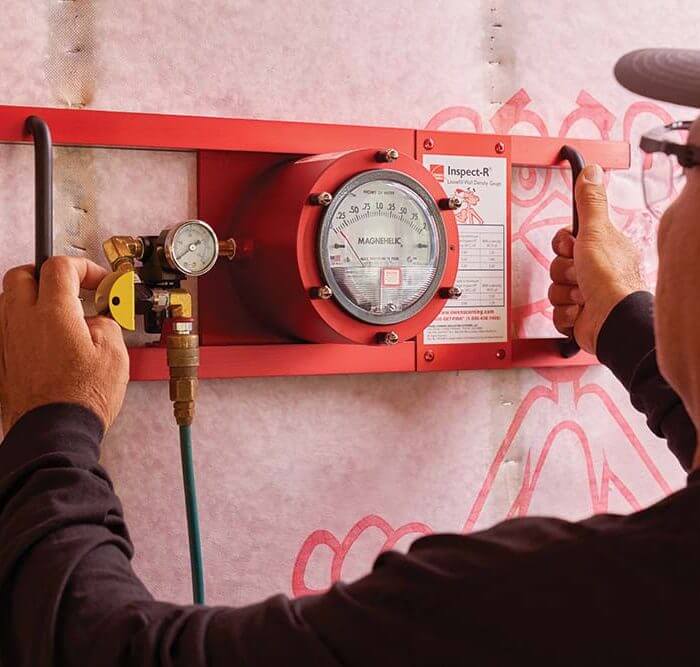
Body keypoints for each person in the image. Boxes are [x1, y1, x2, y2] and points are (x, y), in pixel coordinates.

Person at [0, 48, 698, 666]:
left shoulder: (531, 605)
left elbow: (94, 648)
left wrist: (55, 418)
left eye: (689, 158)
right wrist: (630, 323)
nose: (667, 212)